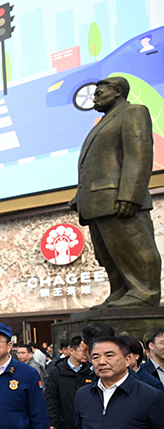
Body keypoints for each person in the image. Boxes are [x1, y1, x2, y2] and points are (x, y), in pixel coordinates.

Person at [70, 76, 161, 309]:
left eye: (100, 93)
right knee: (110, 253)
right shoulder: (103, 122)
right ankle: (121, 291)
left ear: (118, 91)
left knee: (134, 247)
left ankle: (144, 292)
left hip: (119, 198)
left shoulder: (133, 112)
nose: (95, 97)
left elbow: (138, 154)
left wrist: (130, 194)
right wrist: (80, 197)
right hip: (97, 201)